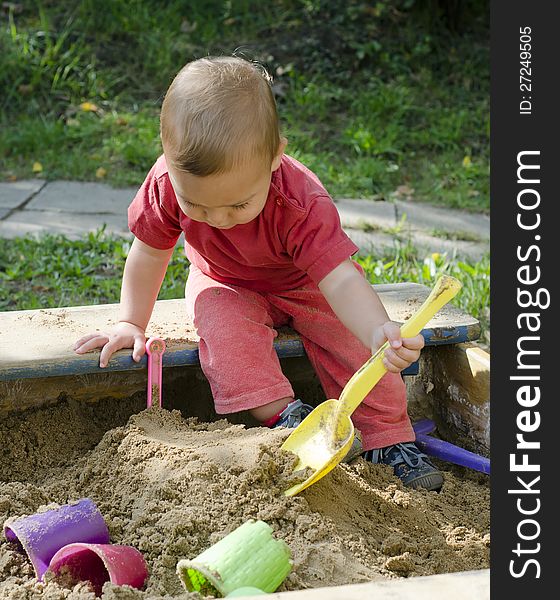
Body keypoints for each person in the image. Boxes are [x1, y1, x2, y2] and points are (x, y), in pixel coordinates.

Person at [74, 56, 443, 492]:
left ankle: (387, 438)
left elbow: (340, 279)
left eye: (238, 205)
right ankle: (286, 419)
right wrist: (130, 322)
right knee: (226, 336)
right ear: (169, 165)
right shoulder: (166, 185)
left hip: (308, 282)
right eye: (198, 207)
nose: (219, 219)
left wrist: (376, 329)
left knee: (356, 345)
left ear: (274, 158)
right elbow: (150, 254)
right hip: (224, 280)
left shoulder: (300, 200)